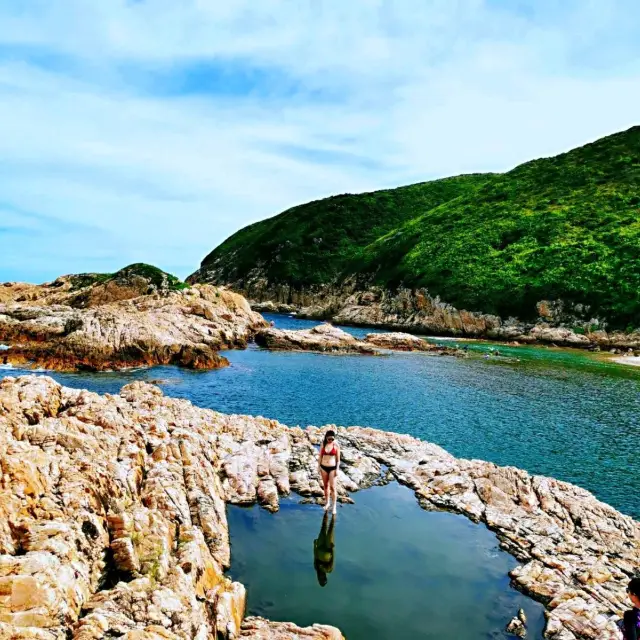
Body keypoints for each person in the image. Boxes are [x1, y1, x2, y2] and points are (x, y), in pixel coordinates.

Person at [318, 430, 340, 514]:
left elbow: (338, 460)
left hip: (332, 468)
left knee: (333, 487)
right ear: (326, 437)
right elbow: (320, 457)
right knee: (325, 486)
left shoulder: (336, 445)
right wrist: (318, 467)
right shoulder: (323, 444)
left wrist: (337, 469)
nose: (330, 440)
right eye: (329, 439)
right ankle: (327, 503)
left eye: (332, 439)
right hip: (323, 468)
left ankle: (334, 506)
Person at [313, 511, 335, 587]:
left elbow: (315, 556)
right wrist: (333, 549)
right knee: (330, 529)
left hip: (320, 546)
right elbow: (333, 559)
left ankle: (326, 511)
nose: (322, 577)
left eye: (321, 578)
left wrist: (315, 545)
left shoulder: (316, 567)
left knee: (323, 527)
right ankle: (333, 513)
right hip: (328, 548)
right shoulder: (329, 569)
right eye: (323, 578)